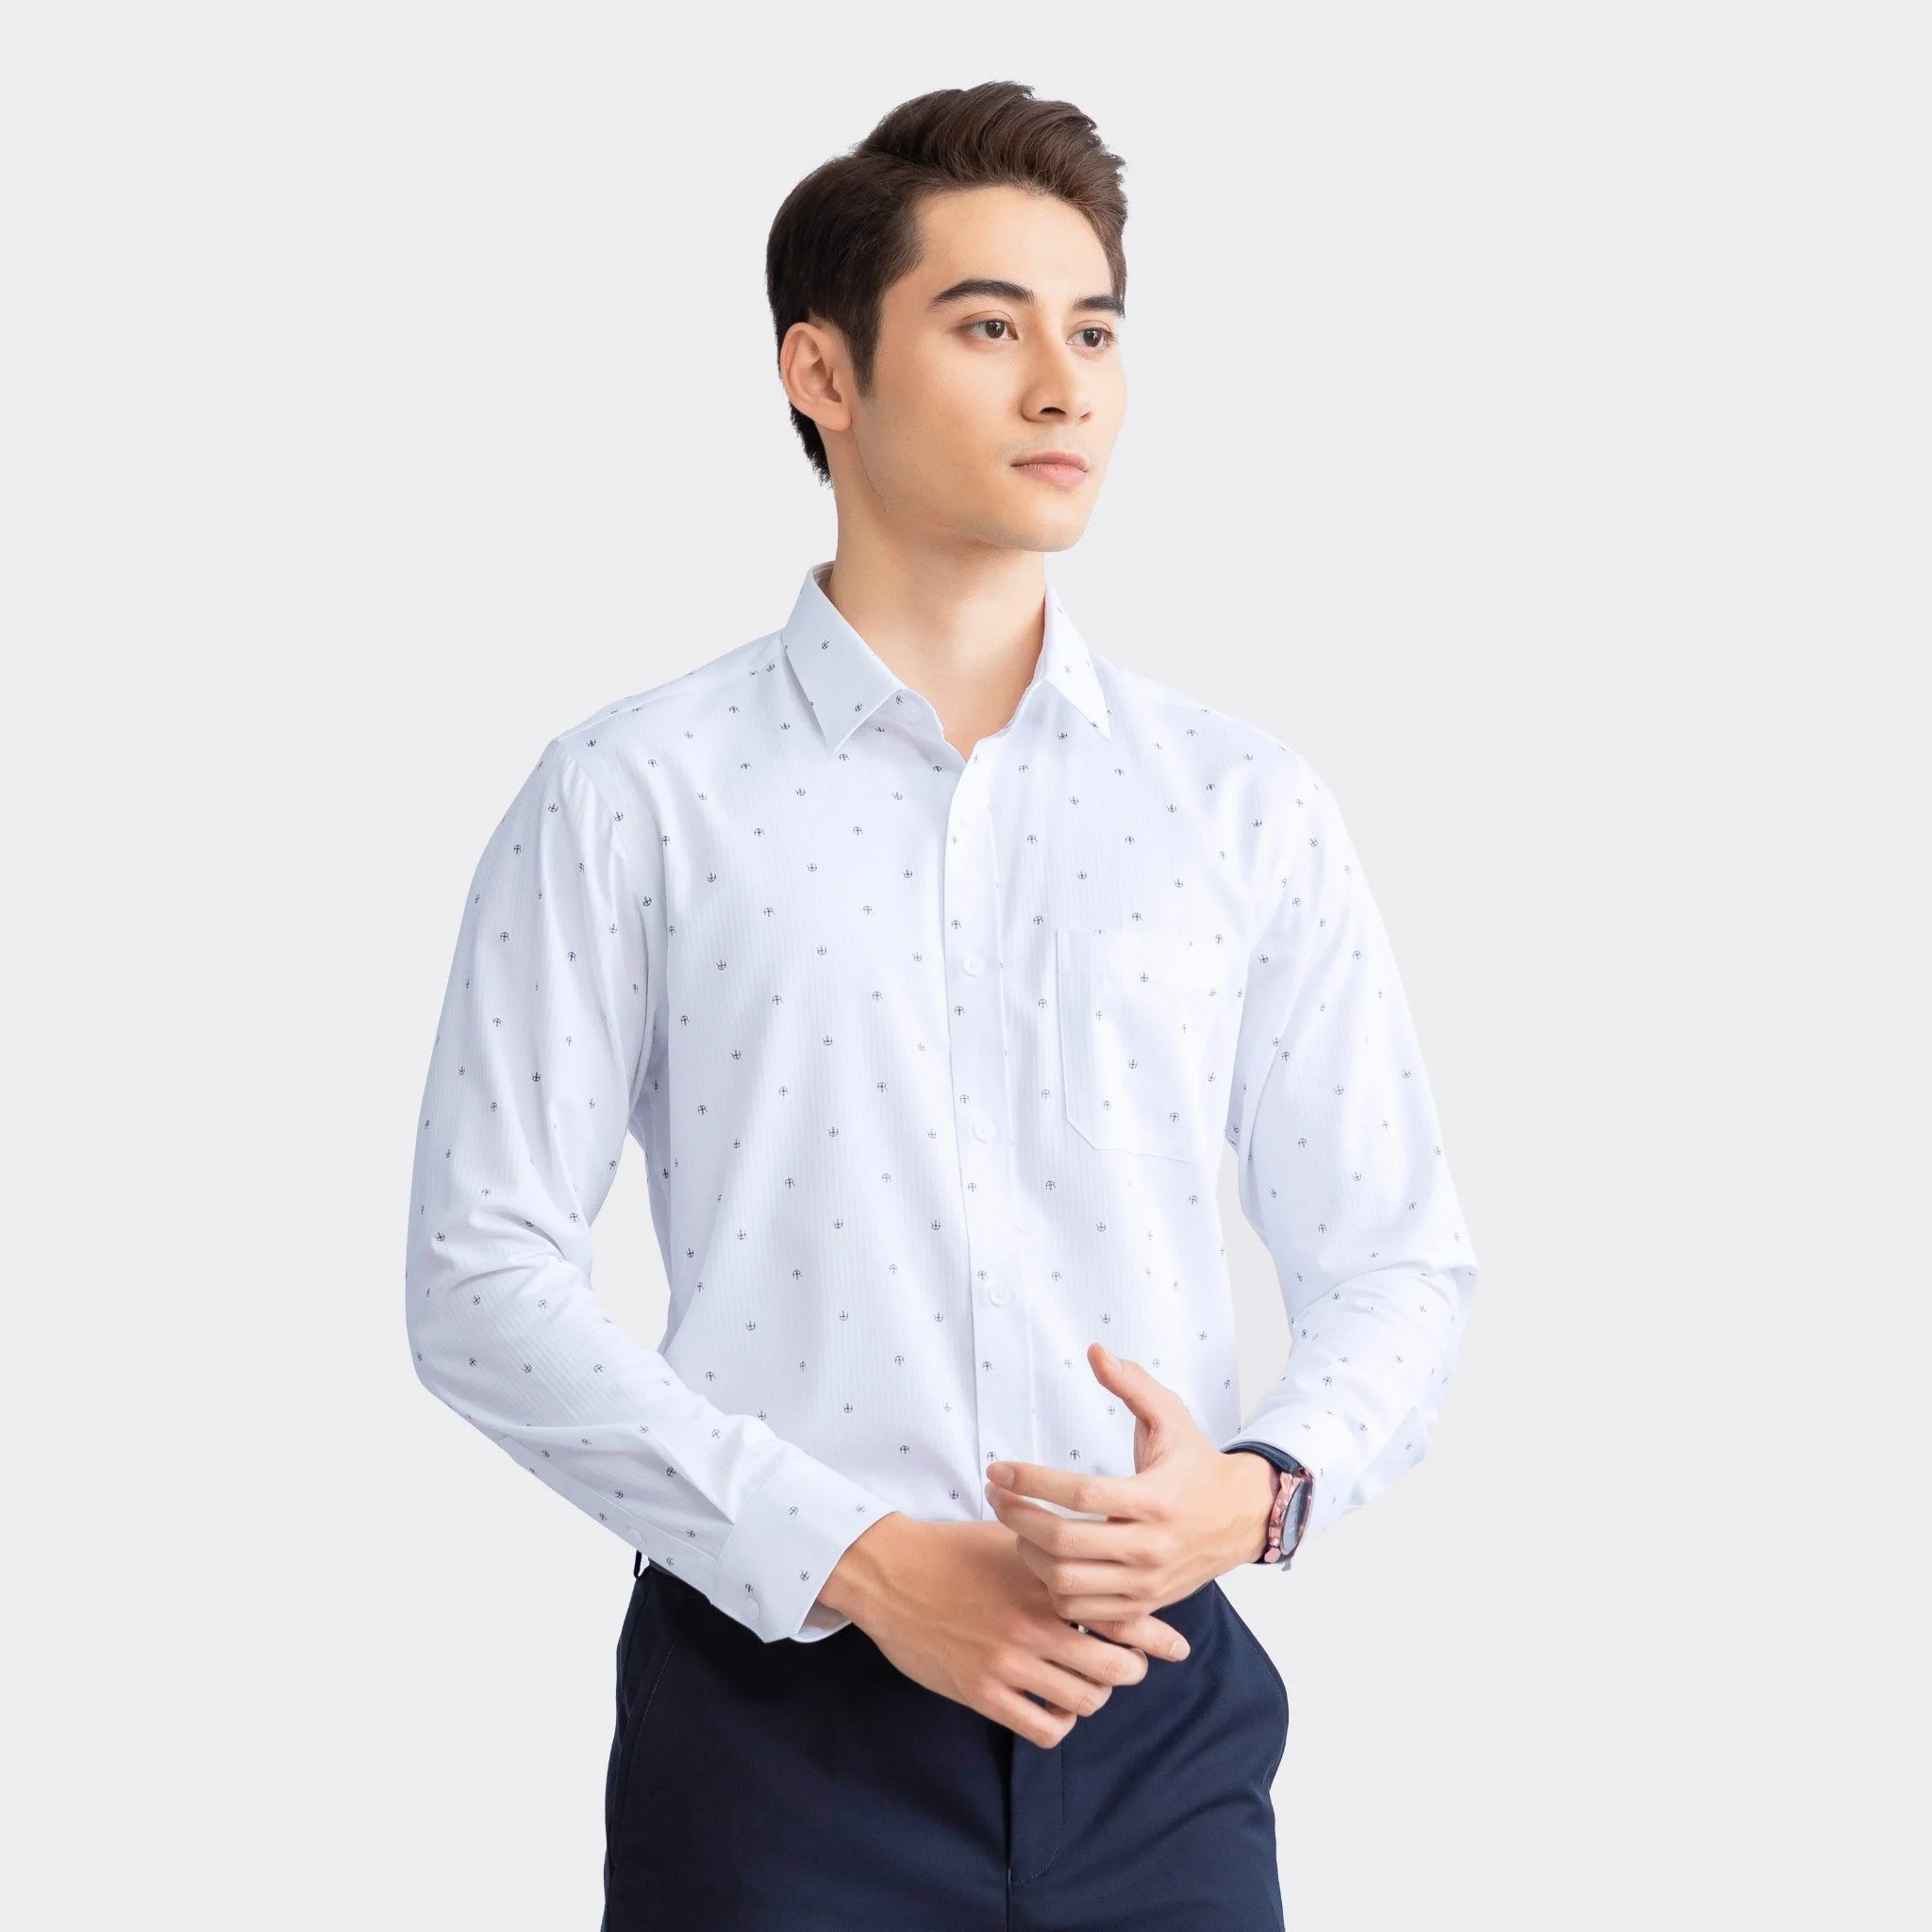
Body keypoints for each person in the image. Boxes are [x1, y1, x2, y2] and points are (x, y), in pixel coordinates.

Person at [404, 78, 1479, 1931]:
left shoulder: (1242, 806)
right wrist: (857, 1558)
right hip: (778, 1728)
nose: (1065, 388)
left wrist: (1253, 1494)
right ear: (821, 373)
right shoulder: (633, 793)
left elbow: (1396, 1257)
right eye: (990, 328)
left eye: (1096, 333)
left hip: (1158, 1720)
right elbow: (476, 1271)